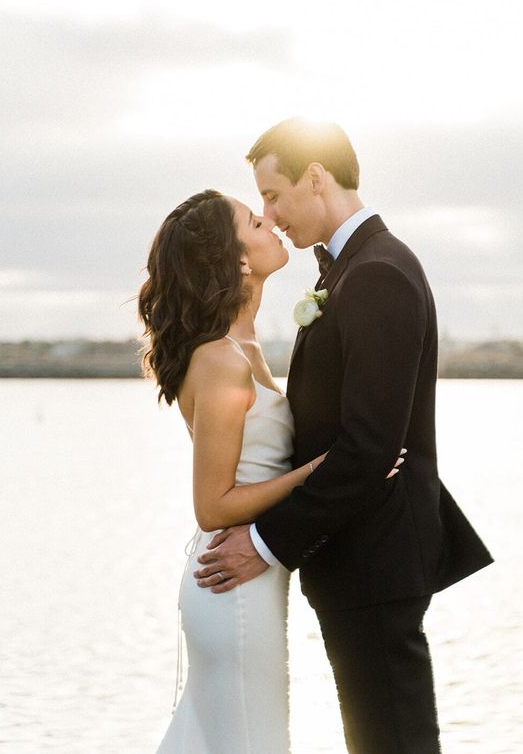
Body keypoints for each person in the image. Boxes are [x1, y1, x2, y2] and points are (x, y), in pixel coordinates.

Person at [194, 118, 494, 753]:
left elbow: (369, 445)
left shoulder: (379, 271)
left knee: (394, 742)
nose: (270, 216)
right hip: (357, 555)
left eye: (273, 195)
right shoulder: (350, 270)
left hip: (376, 554)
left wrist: (267, 544)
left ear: (315, 176)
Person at [139, 190, 400, 753]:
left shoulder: (244, 344)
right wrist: (320, 471)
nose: (273, 224)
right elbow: (212, 505)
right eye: (257, 222)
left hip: (251, 578)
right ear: (236, 259)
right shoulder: (220, 360)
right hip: (230, 583)